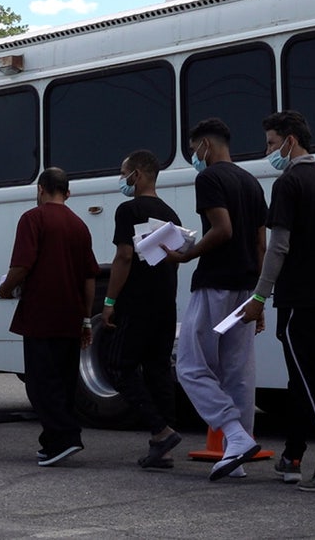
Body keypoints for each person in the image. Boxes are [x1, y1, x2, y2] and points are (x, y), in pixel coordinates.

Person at [241, 111, 315, 492]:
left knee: (311, 380)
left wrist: (260, 295)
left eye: (272, 143)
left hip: (297, 300)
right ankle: (292, 456)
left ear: (291, 141)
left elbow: (279, 247)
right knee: (303, 378)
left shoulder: (288, 183)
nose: (268, 151)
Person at [168, 118, 268, 481]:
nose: (194, 156)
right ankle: (235, 454)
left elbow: (222, 229)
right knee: (237, 371)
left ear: (205, 146)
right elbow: (261, 244)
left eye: (194, 149)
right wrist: (260, 296)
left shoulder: (209, 178)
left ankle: (235, 435)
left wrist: (185, 254)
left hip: (215, 284)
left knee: (191, 366)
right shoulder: (251, 182)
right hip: (245, 286)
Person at [0, 167, 99, 467]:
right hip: (71, 314)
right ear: (68, 193)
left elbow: (22, 265)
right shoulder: (80, 225)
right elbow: (89, 277)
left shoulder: (33, 218)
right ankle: (52, 442)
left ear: (40, 189)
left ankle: (65, 437)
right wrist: (85, 319)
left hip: (41, 313)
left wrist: (6, 288)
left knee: (41, 383)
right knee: (65, 380)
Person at [101, 150, 183, 469]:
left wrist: (109, 301)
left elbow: (124, 256)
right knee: (158, 370)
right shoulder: (170, 213)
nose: (122, 180)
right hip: (165, 302)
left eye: (124, 174)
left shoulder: (128, 209)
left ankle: (161, 431)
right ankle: (163, 447)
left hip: (137, 303)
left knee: (118, 365)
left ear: (138, 174)